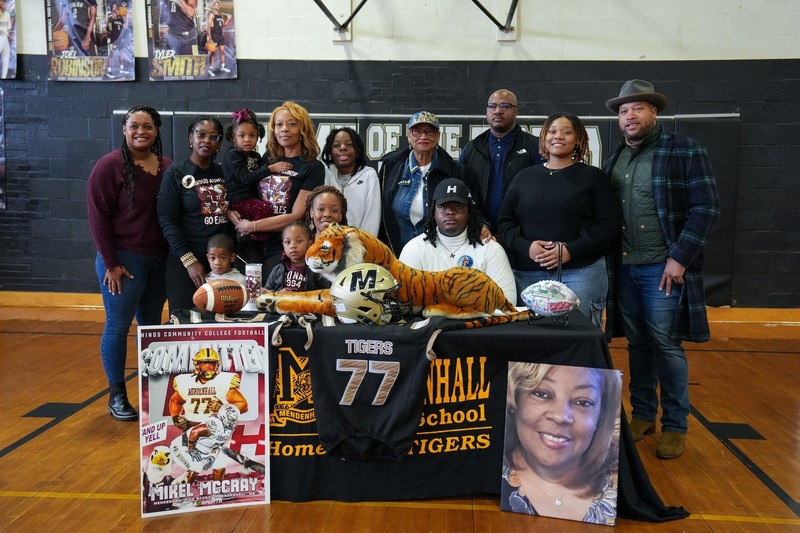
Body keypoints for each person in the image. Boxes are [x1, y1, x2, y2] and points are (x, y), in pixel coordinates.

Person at [603, 79, 721, 459]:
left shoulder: (685, 150)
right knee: (637, 343)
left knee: (665, 344)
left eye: (637, 108)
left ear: (654, 112)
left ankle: (675, 425)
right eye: (623, 111)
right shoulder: (614, 159)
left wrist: (680, 257)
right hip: (625, 267)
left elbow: (706, 208)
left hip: (664, 268)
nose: (630, 116)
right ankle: (642, 415)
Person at [87, 105, 172, 421]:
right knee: (118, 325)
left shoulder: (167, 167)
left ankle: (154, 394)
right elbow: (98, 217)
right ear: (124, 129)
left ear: (156, 131)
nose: (141, 131)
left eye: (147, 126)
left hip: (158, 262)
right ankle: (117, 396)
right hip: (123, 262)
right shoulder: (109, 166)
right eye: (134, 125)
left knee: (151, 327)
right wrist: (111, 263)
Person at [498, 112, 620, 321]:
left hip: (581, 272)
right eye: (552, 131)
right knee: (530, 337)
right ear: (544, 137)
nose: (558, 136)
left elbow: (608, 224)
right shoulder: (524, 177)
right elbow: (505, 222)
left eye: (567, 132)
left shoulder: (593, 177)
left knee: (579, 336)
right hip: (528, 274)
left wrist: (570, 250)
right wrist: (526, 247)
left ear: (578, 139)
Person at [502, 362, 622, 525]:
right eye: (542, 394)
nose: (560, 416)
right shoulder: (485, 472)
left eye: (583, 402)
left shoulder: (625, 487)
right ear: (515, 401)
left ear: (601, 417)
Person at [231, 101, 325, 278]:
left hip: (283, 247)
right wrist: (230, 212)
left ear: (302, 129)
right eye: (279, 125)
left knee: (274, 294)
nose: (284, 129)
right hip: (251, 245)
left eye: (292, 124)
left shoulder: (313, 167)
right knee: (247, 295)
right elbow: (244, 192)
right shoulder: (267, 159)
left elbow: (296, 215)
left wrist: (253, 226)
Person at [399, 177, 516, 305]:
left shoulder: (490, 249)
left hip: (479, 319)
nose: (450, 212)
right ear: (433, 212)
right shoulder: (414, 249)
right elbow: (405, 300)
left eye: (459, 207)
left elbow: (507, 301)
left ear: (470, 212)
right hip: (430, 319)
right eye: (443, 207)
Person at [158, 115, 233, 312]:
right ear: (191, 137)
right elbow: (167, 220)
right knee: (185, 321)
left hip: (221, 262)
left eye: (213, 137)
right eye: (201, 135)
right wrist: (189, 261)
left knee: (223, 322)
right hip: (186, 263)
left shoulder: (224, 172)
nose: (207, 140)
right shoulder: (176, 173)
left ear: (219, 143)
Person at [378, 111, 468, 256]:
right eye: (417, 131)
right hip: (396, 254)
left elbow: (471, 210)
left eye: (430, 132)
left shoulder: (456, 171)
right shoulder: (390, 168)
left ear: (438, 136)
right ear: (408, 135)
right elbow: (380, 213)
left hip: (439, 255)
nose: (423, 136)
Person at [460, 89, 543, 236]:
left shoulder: (534, 146)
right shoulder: (471, 148)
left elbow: (541, 194)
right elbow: (463, 191)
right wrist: (478, 223)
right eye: (492, 106)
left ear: (516, 111)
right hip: (480, 232)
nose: (498, 111)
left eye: (505, 106)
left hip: (520, 233)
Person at [222, 107, 292, 244]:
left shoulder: (256, 156)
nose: (247, 140)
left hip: (252, 199)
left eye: (252, 135)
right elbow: (246, 177)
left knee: (266, 208)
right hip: (238, 201)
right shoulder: (233, 156)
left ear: (258, 136)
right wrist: (271, 168)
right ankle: (252, 240)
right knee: (264, 209)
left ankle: (255, 236)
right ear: (233, 137)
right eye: (242, 136)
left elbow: (260, 178)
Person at [169, 348, 248, 430]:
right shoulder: (185, 381)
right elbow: (175, 401)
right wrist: (176, 417)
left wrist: (223, 408)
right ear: (196, 364)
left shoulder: (224, 380)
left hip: (217, 428)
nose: (208, 366)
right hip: (190, 427)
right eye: (203, 363)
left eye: (212, 363)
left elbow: (243, 405)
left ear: (217, 365)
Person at [321, 127, 381, 236]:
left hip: (359, 241)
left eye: (349, 144)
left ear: (357, 151)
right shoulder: (324, 173)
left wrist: (364, 242)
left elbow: (372, 217)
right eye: (336, 145)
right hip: (328, 239)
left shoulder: (369, 175)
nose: (343, 148)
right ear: (330, 152)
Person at [170, 404, 240, 486]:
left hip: (202, 449)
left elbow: (218, 444)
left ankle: (217, 490)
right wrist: (192, 450)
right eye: (231, 420)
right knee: (196, 466)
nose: (233, 423)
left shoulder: (228, 429)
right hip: (183, 446)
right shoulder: (215, 424)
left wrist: (213, 456)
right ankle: (181, 491)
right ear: (224, 417)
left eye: (235, 420)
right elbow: (195, 432)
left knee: (221, 462)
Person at [264, 221, 330, 291]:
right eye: (288, 242)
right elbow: (266, 293)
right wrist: (278, 294)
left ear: (310, 244)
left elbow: (326, 293)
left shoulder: (317, 271)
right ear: (283, 245)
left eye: (299, 241)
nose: (292, 246)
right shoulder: (277, 270)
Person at [206, 0, 231, 76]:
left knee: (222, 52)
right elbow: (208, 27)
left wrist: (228, 18)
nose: (216, 6)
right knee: (213, 53)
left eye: (217, 5)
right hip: (214, 35)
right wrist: (210, 38)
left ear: (219, 7)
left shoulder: (221, 15)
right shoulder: (212, 14)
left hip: (220, 36)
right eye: (215, 5)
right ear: (213, 6)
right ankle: (210, 69)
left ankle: (223, 67)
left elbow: (224, 25)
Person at [104, 3, 130, 79]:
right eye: (114, 7)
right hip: (113, 40)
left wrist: (127, 16)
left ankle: (122, 69)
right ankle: (109, 71)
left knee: (122, 54)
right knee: (111, 55)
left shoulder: (120, 18)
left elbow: (125, 26)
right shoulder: (110, 18)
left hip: (120, 39)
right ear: (111, 8)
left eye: (116, 7)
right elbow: (108, 28)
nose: (115, 8)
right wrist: (109, 39)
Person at [0, 0, 15, 78]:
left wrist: (10, 34)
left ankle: (4, 77)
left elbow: (8, 28)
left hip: (5, 37)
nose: (2, 3)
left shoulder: (7, 14)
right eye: (0, 2)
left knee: (6, 58)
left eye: (3, 2)